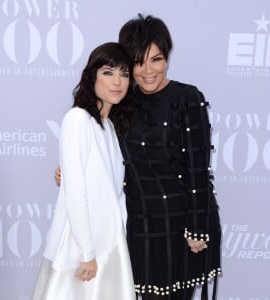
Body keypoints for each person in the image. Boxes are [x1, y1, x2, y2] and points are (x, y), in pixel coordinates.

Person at [55, 14, 222, 300]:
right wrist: (71, 168)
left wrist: (197, 228)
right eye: (137, 61)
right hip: (136, 228)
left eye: (156, 59)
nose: (147, 70)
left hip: (182, 225)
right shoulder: (122, 100)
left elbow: (198, 170)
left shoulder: (187, 98)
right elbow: (101, 147)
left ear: (167, 58)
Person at [32, 42, 136, 300]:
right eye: (108, 72)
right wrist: (87, 253)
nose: (117, 82)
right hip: (79, 249)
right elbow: (76, 192)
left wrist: (115, 242)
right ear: (92, 76)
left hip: (109, 246)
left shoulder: (109, 128)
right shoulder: (78, 119)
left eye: (124, 74)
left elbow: (111, 192)